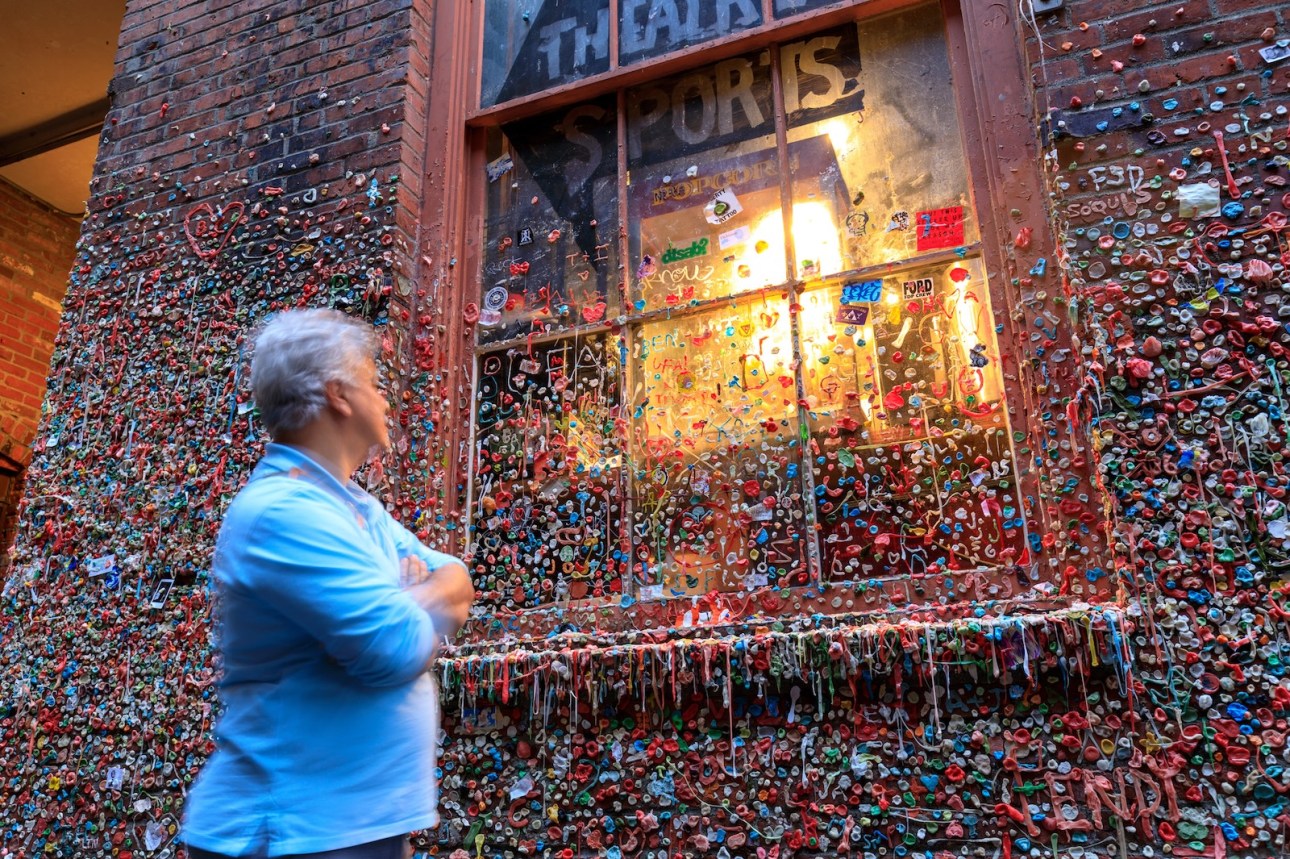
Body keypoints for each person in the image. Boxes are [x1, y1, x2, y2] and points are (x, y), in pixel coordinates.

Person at [183, 309, 475, 859]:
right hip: (293, 832)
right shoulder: (283, 513)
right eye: (374, 383)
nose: (385, 399)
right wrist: (416, 605)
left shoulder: (359, 508)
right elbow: (393, 648)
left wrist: (413, 597)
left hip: (355, 826)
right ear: (339, 395)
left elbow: (457, 575)